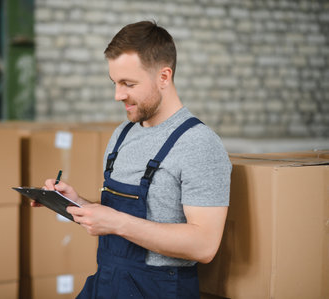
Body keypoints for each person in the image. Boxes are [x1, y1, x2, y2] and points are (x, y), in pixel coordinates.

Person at [35, 20, 232, 299]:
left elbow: (204, 245)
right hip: (107, 283)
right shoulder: (122, 134)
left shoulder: (199, 144)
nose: (118, 95)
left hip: (158, 290)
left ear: (164, 76)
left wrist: (115, 222)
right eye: (115, 83)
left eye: (129, 83)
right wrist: (79, 203)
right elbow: (115, 217)